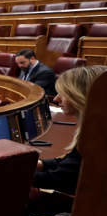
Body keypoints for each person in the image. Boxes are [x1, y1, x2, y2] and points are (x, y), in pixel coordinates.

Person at [31, 65, 105, 195]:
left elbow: (62, 179)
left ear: (80, 96)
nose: (56, 99)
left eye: (63, 94)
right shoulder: (96, 126)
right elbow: (71, 164)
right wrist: (40, 164)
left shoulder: (97, 136)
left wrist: (14, 176)